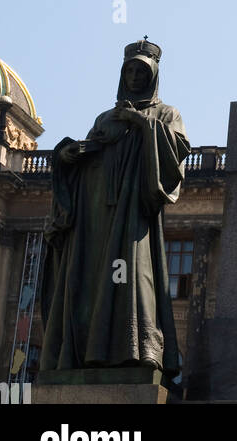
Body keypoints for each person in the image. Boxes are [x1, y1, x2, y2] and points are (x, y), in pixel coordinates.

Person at [40, 40, 190, 375]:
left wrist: (141, 122)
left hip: (131, 212)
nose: (135, 76)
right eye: (130, 70)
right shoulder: (104, 117)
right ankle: (84, 354)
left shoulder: (165, 114)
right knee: (91, 282)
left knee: (135, 279)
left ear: (154, 75)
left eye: (142, 71)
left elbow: (177, 151)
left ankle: (139, 351)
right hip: (94, 212)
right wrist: (68, 156)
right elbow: (92, 148)